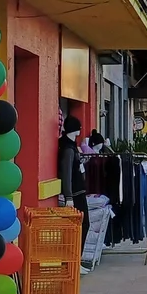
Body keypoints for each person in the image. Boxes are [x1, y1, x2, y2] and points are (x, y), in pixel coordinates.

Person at [59, 116, 91, 274]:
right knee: (81, 226)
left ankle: (75, 260)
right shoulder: (68, 150)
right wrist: (69, 197)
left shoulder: (71, 147)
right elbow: (66, 173)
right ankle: (74, 261)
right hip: (75, 195)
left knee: (81, 226)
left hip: (78, 192)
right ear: (75, 129)